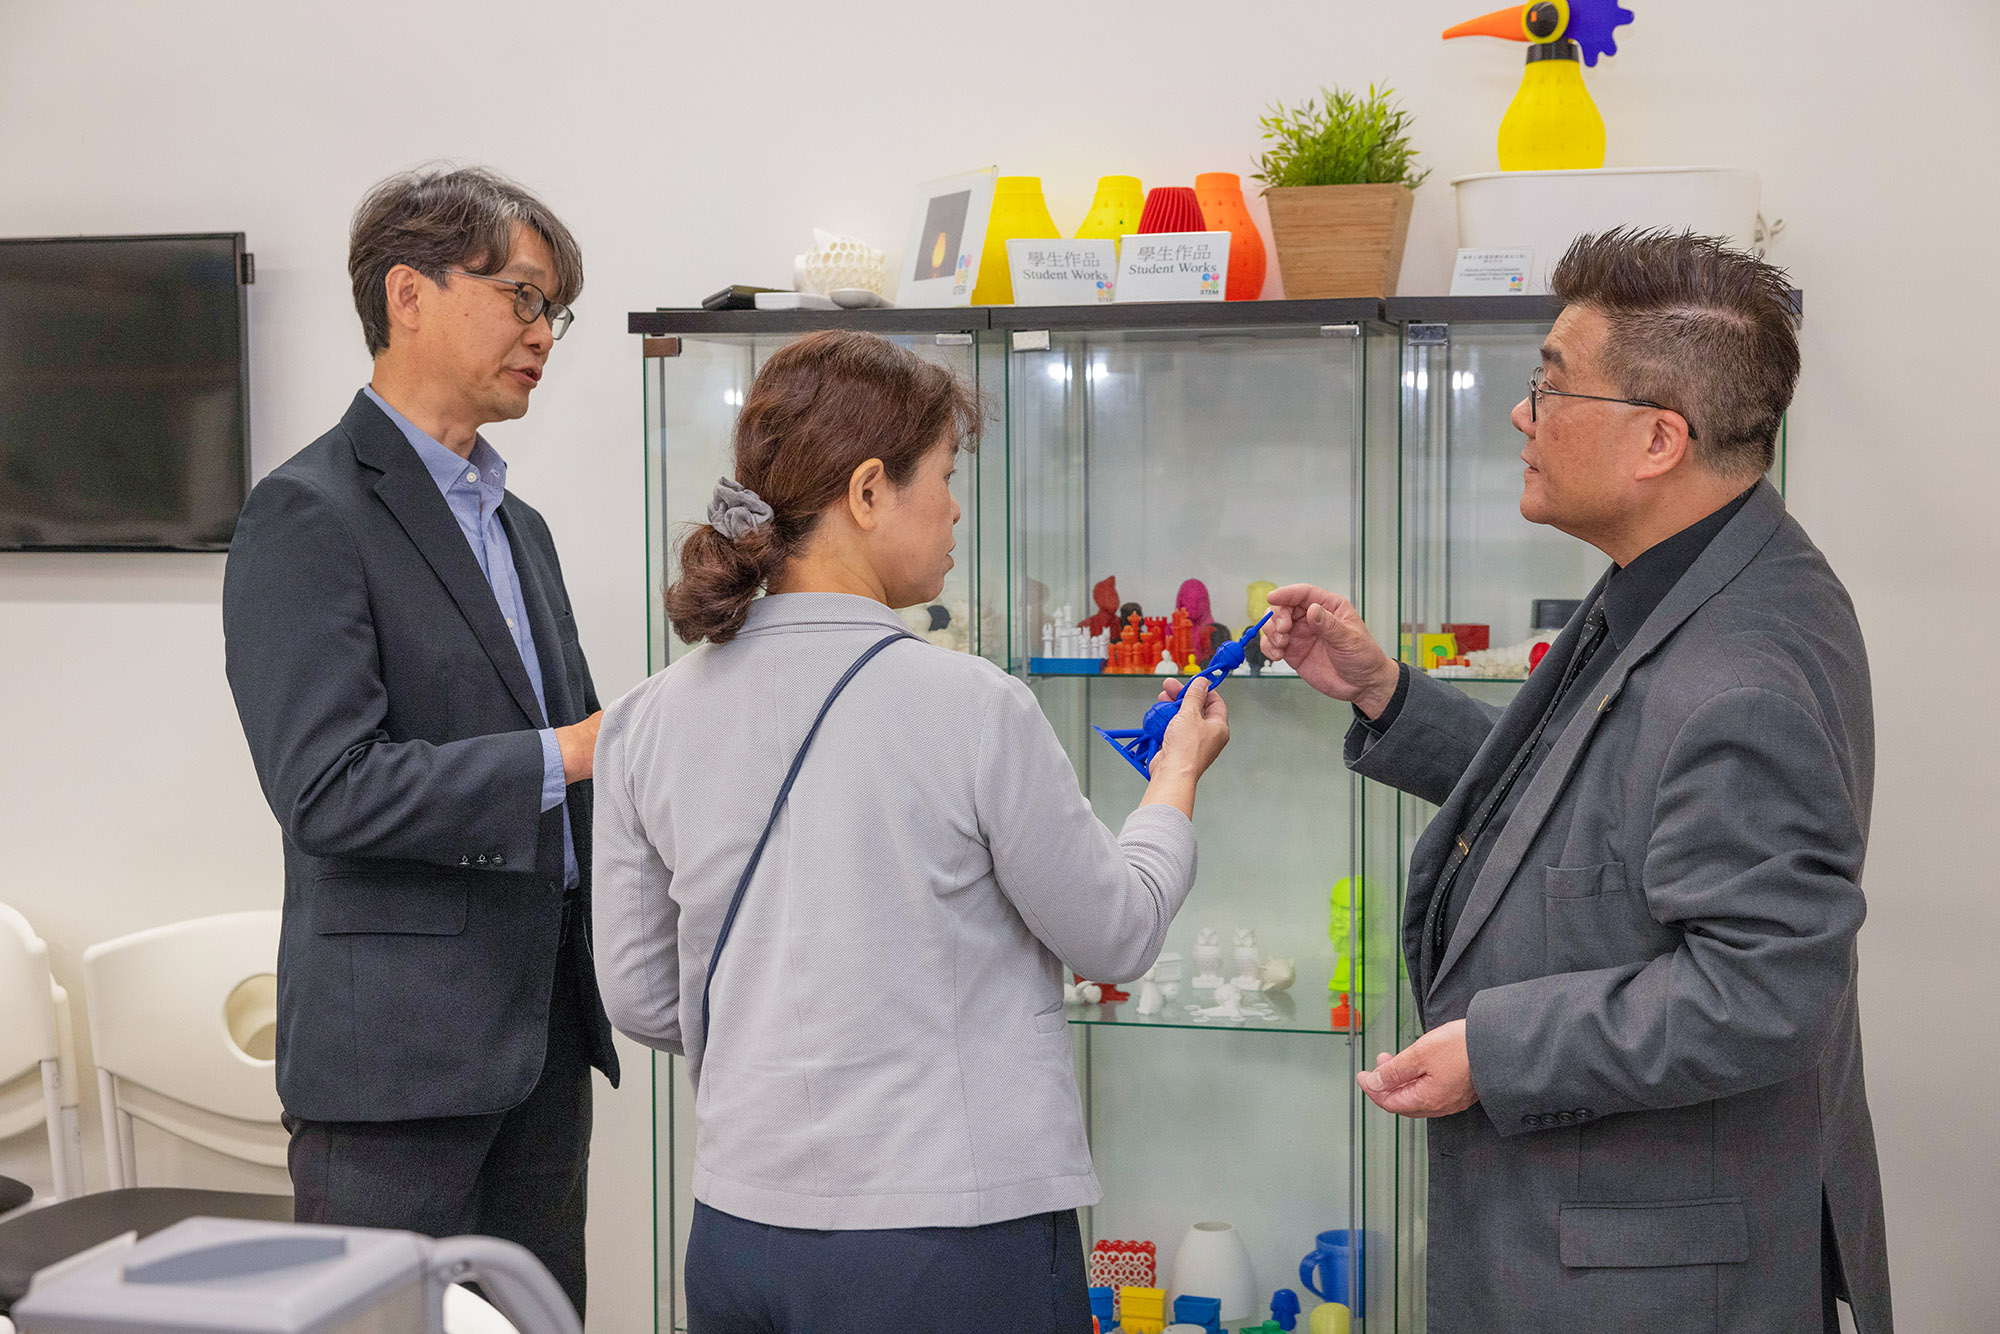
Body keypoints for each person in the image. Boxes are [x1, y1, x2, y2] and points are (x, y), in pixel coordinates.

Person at [1261, 230, 1889, 1333]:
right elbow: (1599, 796)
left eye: (1550, 385)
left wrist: (1493, 1049)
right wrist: (1388, 696)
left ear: (1657, 439)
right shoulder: (1692, 572)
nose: (1522, 413)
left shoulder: (1744, 669)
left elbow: (1762, 991)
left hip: (1655, 1284)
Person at [591, 330, 1230, 1333]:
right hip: (944, 1241)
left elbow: (638, 994)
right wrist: (1175, 777)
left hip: (734, 1233)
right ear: (867, 491)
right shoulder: (972, 706)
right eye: (944, 475)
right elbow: (1115, 934)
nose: (955, 507)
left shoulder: (645, 718)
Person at [222, 166, 616, 1318]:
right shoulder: (306, 511)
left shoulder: (519, 526)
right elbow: (328, 788)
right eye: (524, 296)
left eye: (554, 312)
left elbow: (582, 764)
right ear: (408, 294)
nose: (542, 333)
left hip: (540, 1038)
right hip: (393, 1071)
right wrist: (570, 752)